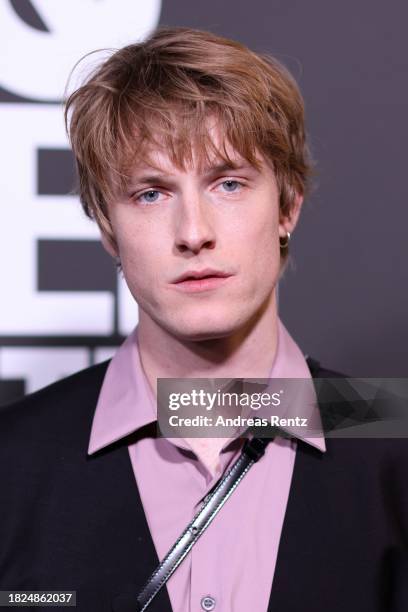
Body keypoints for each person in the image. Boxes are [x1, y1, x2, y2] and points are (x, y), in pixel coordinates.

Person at [0, 27, 407, 612]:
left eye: (230, 183)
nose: (194, 233)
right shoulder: (12, 462)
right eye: (150, 194)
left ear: (288, 206)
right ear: (108, 230)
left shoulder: (394, 437)